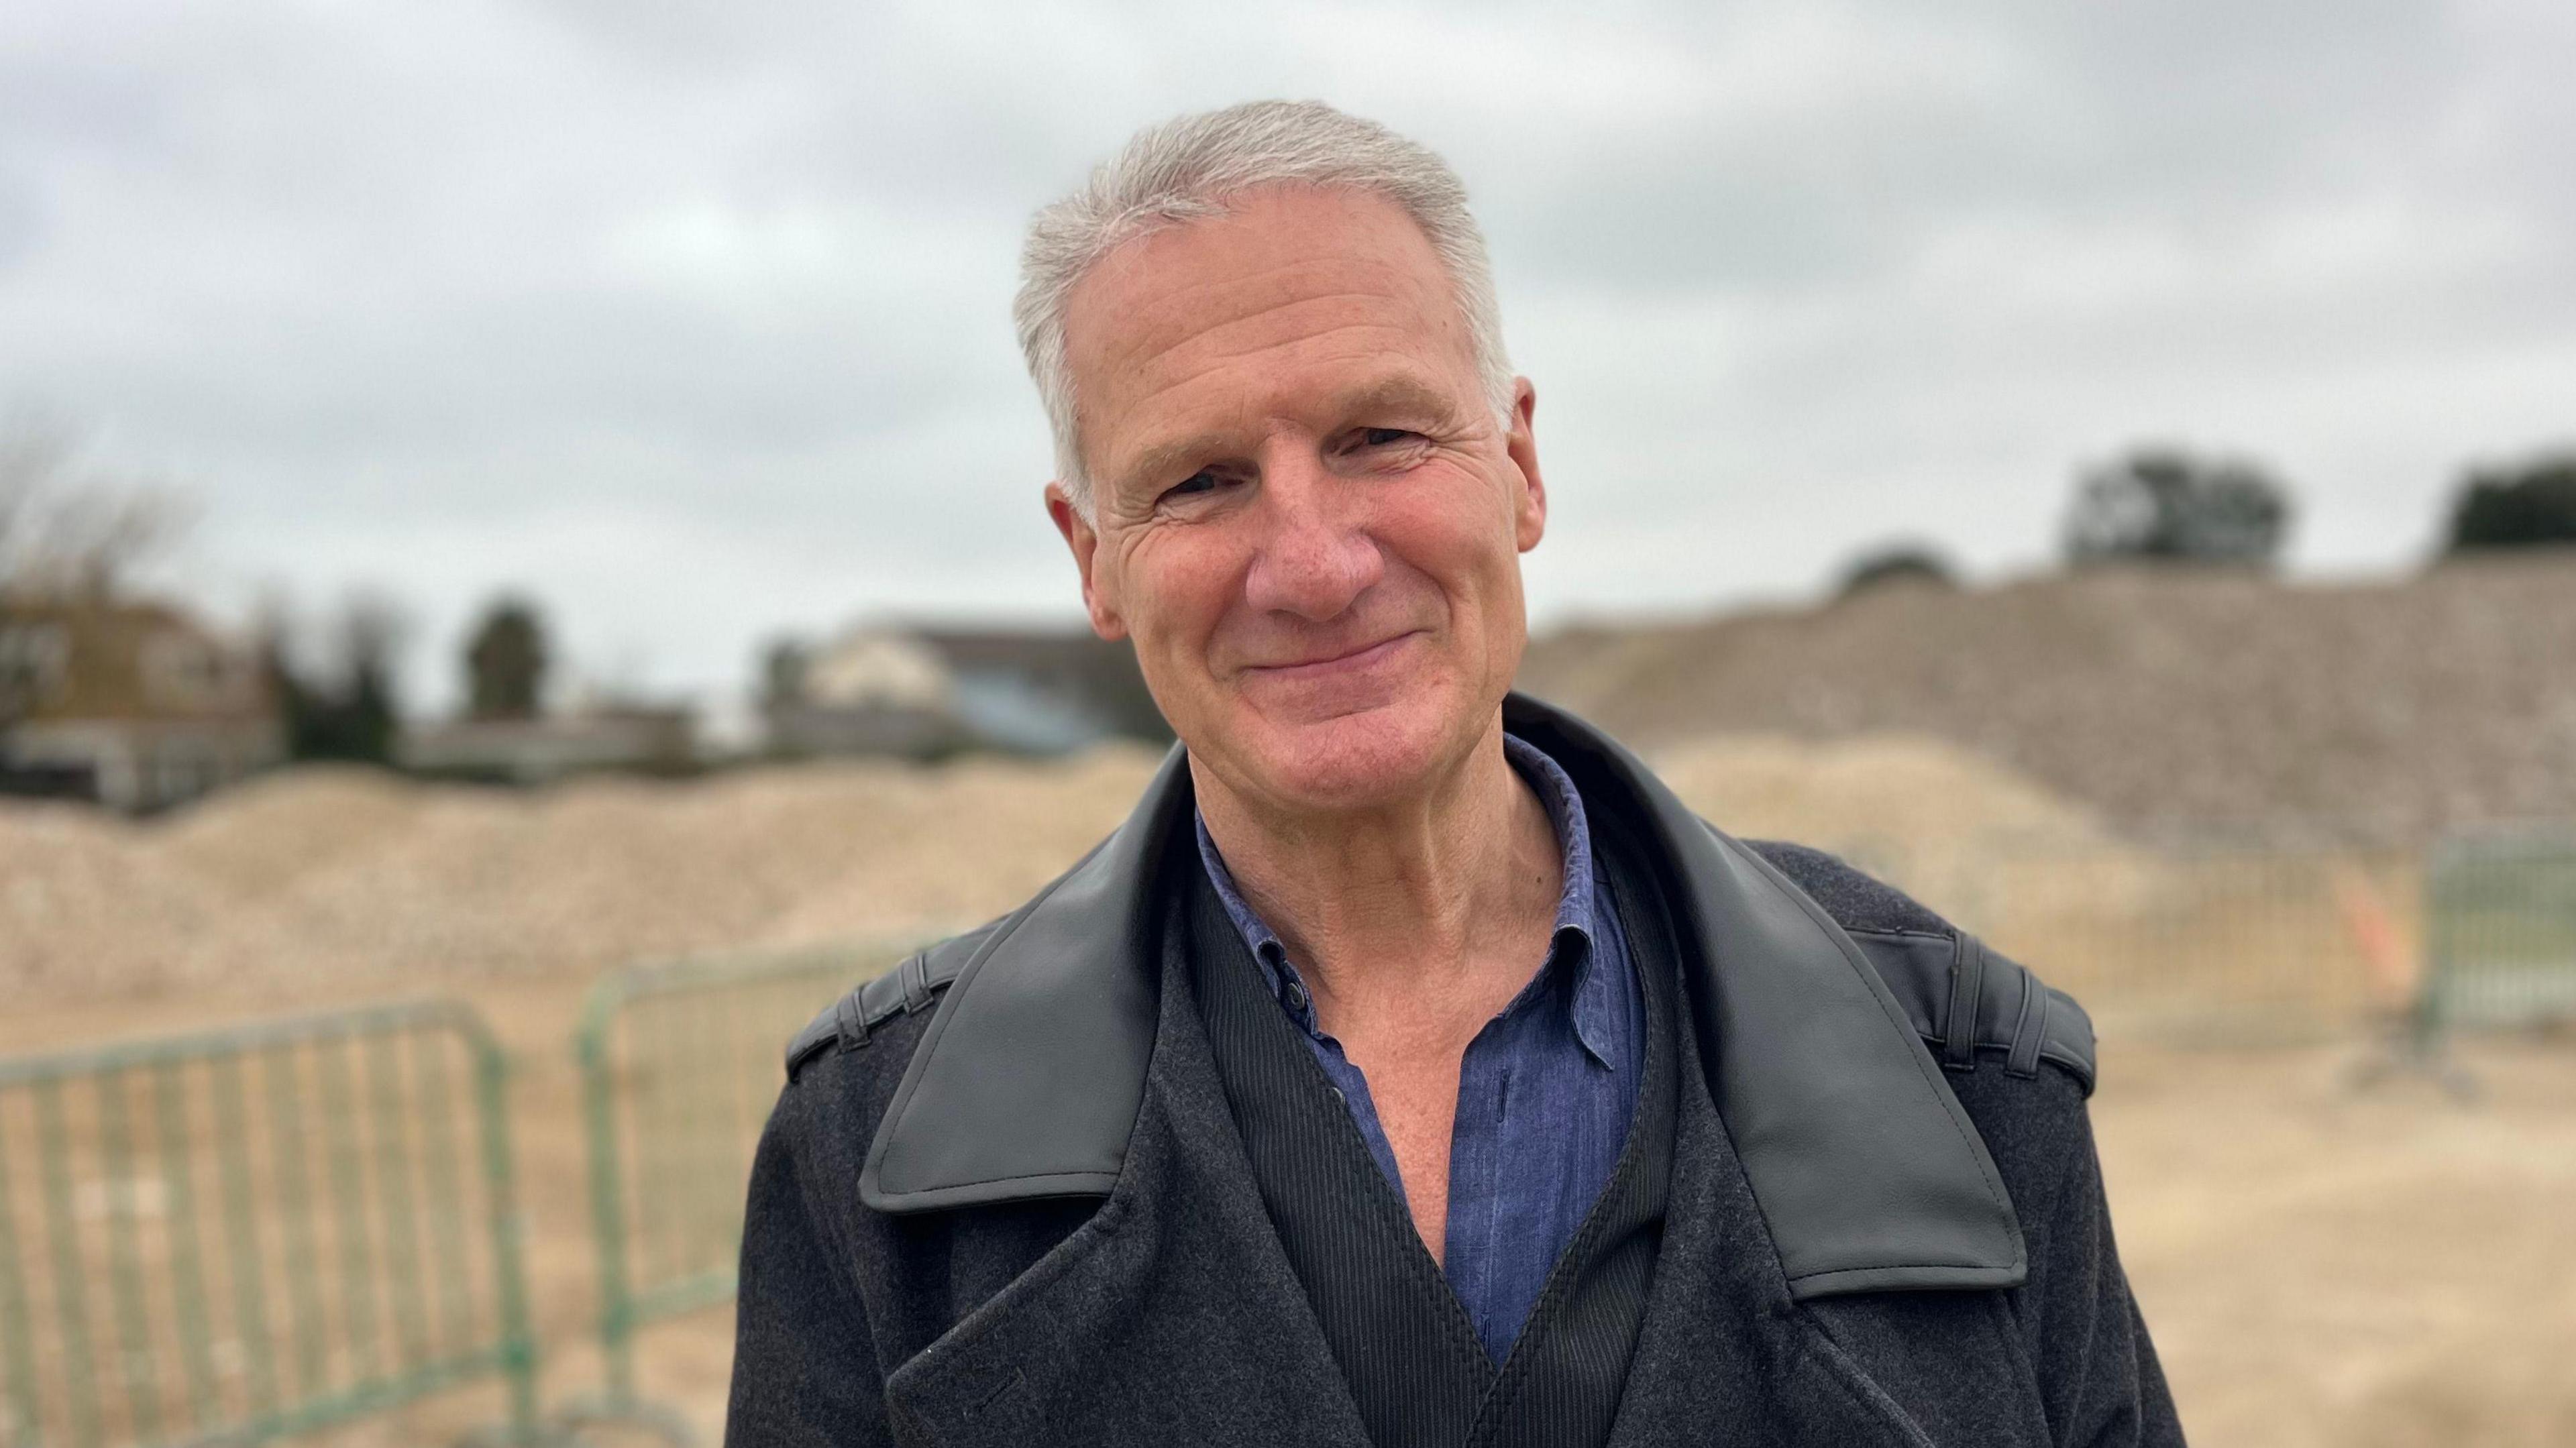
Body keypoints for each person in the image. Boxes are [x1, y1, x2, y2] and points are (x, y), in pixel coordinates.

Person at [727, 99, 2182, 1448]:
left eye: (1380, 437)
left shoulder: (1960, 1080)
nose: (1312, 564)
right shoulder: (876, 1170)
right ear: (1092, 558)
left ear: (1523, 467)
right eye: (1200, 481)